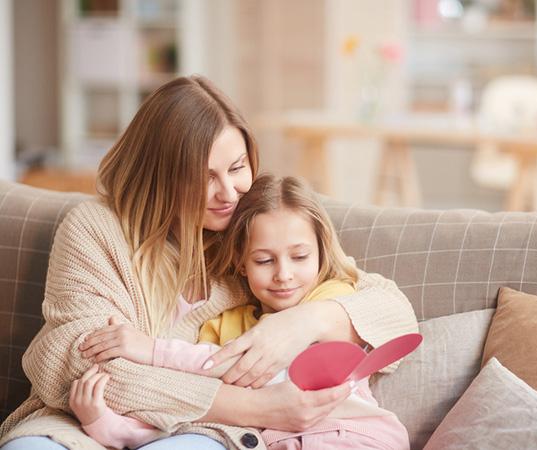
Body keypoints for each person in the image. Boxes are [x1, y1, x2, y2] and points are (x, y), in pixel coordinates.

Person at [0, 76, 418, 450]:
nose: (229, 193)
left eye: (237, 168)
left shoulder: (256, 232)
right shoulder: (95, 229)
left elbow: (392, 311)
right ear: (160, 175)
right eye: (204, 177)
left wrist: (303, 322)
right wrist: (259, 407)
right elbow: (80, 362)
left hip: (209, 434)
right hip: (83, 422)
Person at [69, 174, 411, 449]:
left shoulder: (335, 299)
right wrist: (106, 424)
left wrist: (149, 349)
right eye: (264, 260)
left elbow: (395, 318)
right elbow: (191, 408)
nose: (284, 274)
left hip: (357, 437)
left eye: (300, 256)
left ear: (321, 253)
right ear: (241, 263)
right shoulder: (223, 328)